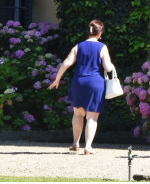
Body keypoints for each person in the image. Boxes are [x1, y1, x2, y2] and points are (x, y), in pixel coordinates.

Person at [49, 19, 115, 155]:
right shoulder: (102, 47)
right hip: (95, 83)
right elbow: (108, 67)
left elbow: (66, 63)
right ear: (100, 33)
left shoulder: (78, 46)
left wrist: (57, 79)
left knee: (78, 113)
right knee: (92, 116)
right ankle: (88, 147)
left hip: (79, 82)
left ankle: (75, 144)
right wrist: (114, 71)